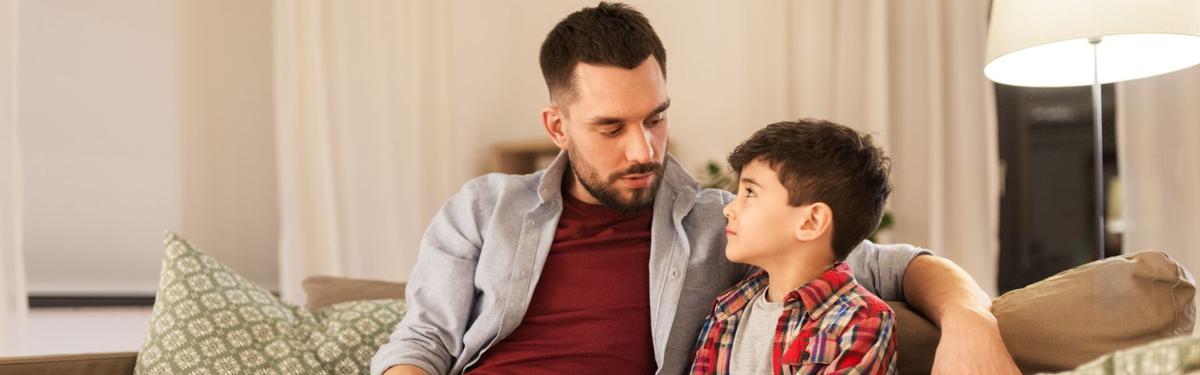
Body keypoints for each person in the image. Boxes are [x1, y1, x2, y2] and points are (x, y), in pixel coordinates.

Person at [373, 3, 1018, 375]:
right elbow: (424, 340)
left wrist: (970, 320)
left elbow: (895, 265)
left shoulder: (725, 226)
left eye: (655, 117)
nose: (643, 149)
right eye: (610, 127)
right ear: (557, 127)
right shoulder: (482, 209)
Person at [690, 119, 897, 374]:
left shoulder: (862, 323)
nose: (729, 208)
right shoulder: (727, 311)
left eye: (750, 192)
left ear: (810, 222)